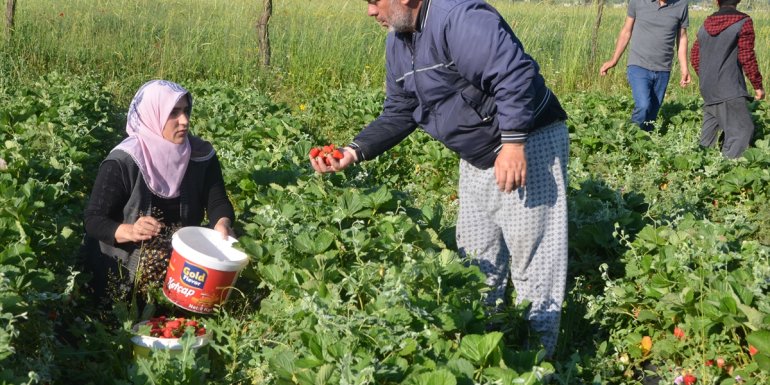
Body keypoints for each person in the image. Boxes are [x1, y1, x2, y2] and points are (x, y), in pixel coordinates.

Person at [310, 0, 569, 357]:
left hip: (527, 141)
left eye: (374, 1)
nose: (370, 12)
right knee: (477, 257)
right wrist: (353, 151)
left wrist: (513, 143)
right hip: (477, 154)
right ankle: (488, 352)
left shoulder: (459, 19)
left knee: (534, 258)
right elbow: (400, 110)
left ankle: (537, 362)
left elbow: (513, 74)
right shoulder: (398, 40)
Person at [82, 80, 235, 309]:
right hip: (123, 270)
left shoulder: (201, 155)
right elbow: (93, 220)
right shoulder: (124, 161)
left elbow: (217, 201)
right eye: (173, 113)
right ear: (153, 115)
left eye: (186, 111)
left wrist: (222, 223)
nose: (184, 120)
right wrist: (131, 230)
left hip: (183, 269)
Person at [600, 0, 692, 131]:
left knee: (652, 113)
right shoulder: (638, 2)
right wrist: (614, 60)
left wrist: (684, 68)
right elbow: (626, 31)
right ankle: (631, 135)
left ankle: (646, 140)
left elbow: (682, 38)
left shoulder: (681, 5)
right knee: (643, 105)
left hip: (663, 69)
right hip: (638, 64)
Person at [690, 0, 764, 158]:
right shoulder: (743, 22)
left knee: (708, 137)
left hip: (707, 87)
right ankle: (727, 167)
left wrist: (708, 77)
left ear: (717, 1)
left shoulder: (705, 24)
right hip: (729, 88)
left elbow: (695, 56)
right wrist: (757, 85)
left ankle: (700, 165)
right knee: (742, 130)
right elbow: (747, 56)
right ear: (738, 1)